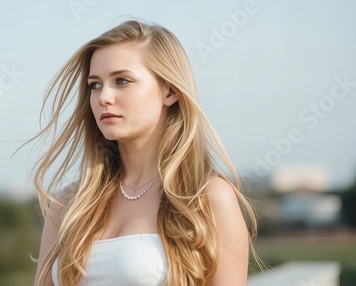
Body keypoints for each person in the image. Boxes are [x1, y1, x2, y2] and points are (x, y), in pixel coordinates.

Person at [30, 19, 258, 286]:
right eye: (95, 85)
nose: (104, 97)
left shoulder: (208, 198)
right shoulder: (69, 204)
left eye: (122, 80)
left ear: (170, 90)